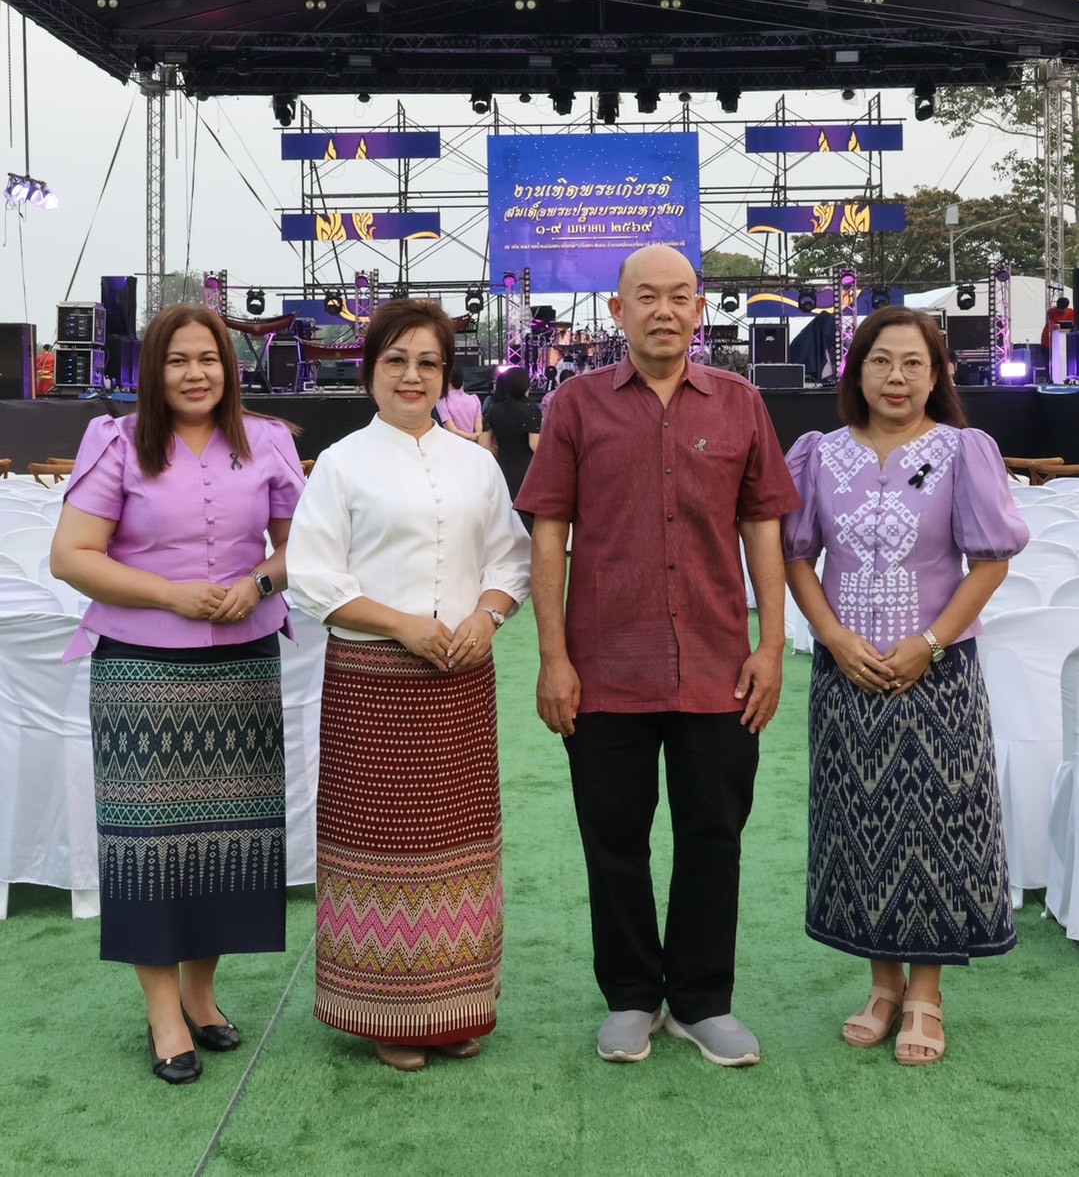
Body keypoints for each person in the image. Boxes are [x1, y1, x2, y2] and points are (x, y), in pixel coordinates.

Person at [515, 245, 800, 1068]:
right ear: (617, 311)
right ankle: (633, 996)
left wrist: (771, 644)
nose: (664, 310)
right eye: (647, 297)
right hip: (605, 665)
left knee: (714, 833)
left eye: (680, 296)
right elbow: (548, 535)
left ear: (700, 309)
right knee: (614, 838)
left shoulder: (741, 404)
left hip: (718, 663)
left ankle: (703, 1000)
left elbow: (764, 530)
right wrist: (552, 657)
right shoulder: (574, 405)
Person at [50, 304, 305, 1085]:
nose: (196, 373)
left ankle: (202, 994)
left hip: (241, 664)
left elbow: (305, 544)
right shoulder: (118, 441)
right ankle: (163, 1012)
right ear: (152, 370)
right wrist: (169, 595)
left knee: (225, 840)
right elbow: (71, 555)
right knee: (149, 847)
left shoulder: (267, 440)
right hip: (139, 667)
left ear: (230, 368)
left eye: (210, 358)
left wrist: (257, 580)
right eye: (177, 360)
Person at [286, 299, 531, 1073]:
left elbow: (510, 560)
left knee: (456, 846)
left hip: (460, 676)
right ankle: (389, 1012)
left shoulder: (475, 461)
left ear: (446, 375)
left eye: (427, 362)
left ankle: (454, 1005)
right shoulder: (345, 463)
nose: (411, 375)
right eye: (395, 360)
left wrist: (486, 619)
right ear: (370, 371)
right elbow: (311, 576)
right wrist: (402, 625)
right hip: (373, 682)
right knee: (380, 846)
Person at [781, 305, 1028, 1066]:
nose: (896, 377)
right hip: (845, 670)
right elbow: (796, 556)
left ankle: (926, 993)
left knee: (935, 825)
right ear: (854, 370)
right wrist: (833, 636)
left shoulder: (962, 450)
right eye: (880, 361)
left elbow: (989, 559)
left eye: (913, 363)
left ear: (936, 374)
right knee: (859, 823)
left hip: (938, 669)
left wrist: (928, 642)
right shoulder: (820, 455)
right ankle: (881, 987)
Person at [483, 366, 543, 504]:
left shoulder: (493, 409)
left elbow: (485, 445)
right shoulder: (531, 409)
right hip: (527, 470)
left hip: (503, 469)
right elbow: (534, 445)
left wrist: (502, 451)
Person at [436, 367, 483, 441]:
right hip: (473, 446)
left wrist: (470, 436)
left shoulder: (443, 403)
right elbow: (479, 430)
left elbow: (453, 431)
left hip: (453, 446)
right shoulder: (474, 399)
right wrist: (472, 437)